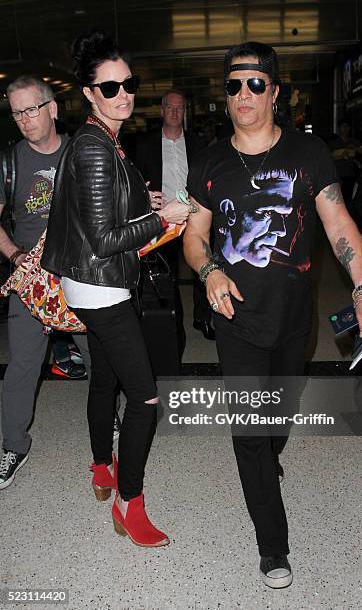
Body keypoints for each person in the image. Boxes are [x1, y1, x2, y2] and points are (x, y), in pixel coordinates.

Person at [183, 41, 362, 589]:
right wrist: (209, 274)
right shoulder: (210, 162)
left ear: (274, 92)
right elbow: (195, 237)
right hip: (238, 322)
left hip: (296, 321)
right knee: (250, 433)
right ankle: (273, 547)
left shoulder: (308, 153)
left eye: (254, 83)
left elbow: (341, 225)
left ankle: (270, 452)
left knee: (279, 416)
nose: (243, 94)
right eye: (233, 85)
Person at [42, 31, 190, 547]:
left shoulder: (98, 138)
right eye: (109, 88)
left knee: (104, 379)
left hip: (87, 285)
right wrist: (162, 216)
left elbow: (95, 213)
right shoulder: (95, 148)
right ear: (88, 92)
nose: (123, 94)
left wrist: (138, 198)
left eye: (129, 84)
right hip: (102, 288)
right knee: (146, 400)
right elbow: (105, 240)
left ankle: (102, 468)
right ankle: (130, 503)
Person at [0, 75, 90, 491]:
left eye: (31, 109)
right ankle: (13, 445)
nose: (24, 119)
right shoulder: (9, 162)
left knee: (102, 353)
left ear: (52, 108)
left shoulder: (83, 150)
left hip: (81, 271)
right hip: (32, 276)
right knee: (21, 365)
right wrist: (16, 256)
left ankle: (108, 419)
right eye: (17, 111)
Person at [135, 90, 214, 340]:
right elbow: (138, 181)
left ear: (184, 112)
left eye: (179, 108)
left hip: (194, 216)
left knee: (201, 267)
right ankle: (172, 321)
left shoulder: (197, 143)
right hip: (164, 218)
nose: (174, 112)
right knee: (165, 273)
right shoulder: (145, 145)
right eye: (170, 107)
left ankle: (203, 318)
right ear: (161, 111)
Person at [328, 118, 362, 207]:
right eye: (343, 127)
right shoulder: (334, 143)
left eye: (347, 127)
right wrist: (340, 155)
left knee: (348, 200)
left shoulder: (353, 141)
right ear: (339, 128)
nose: (345, 129)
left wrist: (354, 148)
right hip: (337, 175)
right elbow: (328, 158)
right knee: (337, 200)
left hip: (350, 175)